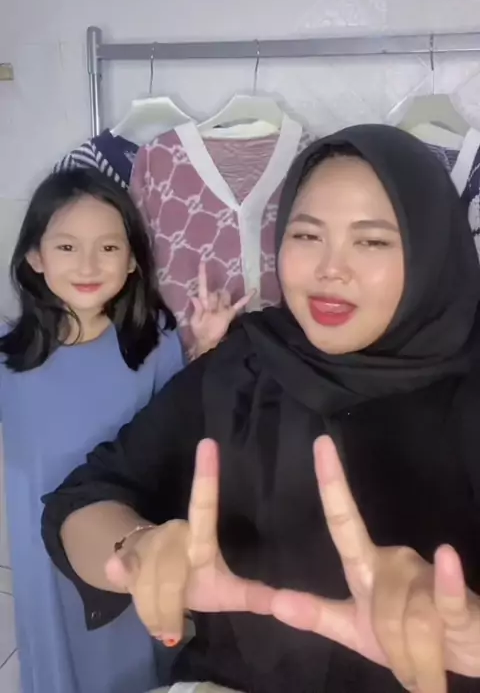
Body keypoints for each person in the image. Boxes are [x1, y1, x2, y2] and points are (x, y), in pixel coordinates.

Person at [41, 126, 480, 693]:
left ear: (432, 251)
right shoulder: (245, 360)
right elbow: (82, 499)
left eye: (372, 242)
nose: (330, 268)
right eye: (306, 235)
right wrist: (138, 546)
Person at [0, 168, 248, 693]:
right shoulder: (7, 356)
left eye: (109, 247)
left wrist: (205, 350)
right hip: (41, 555)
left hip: (124, 537)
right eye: (67, 246)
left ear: (133, 259)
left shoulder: (154, 344)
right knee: (56, 655)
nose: (88, 265)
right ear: (35, 257)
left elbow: (177, 427)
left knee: (129, 656)